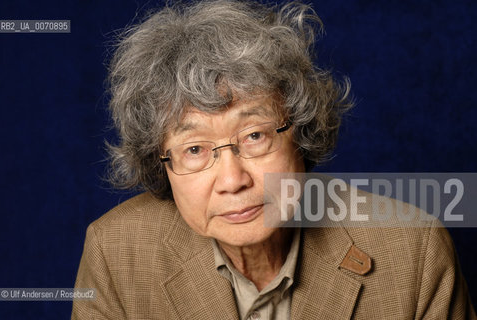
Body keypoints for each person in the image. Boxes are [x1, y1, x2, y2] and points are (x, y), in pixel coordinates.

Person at [72, 1, 476, 319]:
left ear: (300, 131)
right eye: (194, 149)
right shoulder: (115, 252)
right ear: (160, 163)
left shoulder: (412, 251)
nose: (232, 180)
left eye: (254, 136)